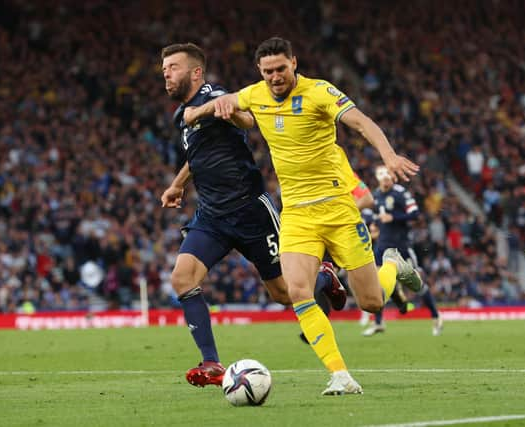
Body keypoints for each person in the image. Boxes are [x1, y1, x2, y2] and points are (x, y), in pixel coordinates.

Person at [188, 37, 422, 396]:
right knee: (297, 291)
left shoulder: (320, 92)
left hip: (338, 210)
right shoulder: (256, 93)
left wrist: (388, 156)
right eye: (268, 71)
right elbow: (233, 105)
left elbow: (361, 122)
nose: (275, 77)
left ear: (294, 63)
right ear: (260, 72)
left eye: (281, 68)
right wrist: (198, 112)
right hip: (297, 213)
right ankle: (340, 374)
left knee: (372, 302)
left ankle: (392, 265)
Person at [160, 43, 346, 389]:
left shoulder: (215, 95)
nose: (166, 72)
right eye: (164, 68)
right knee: (182, 279)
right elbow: (197, 155)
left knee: (285, 293)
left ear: (195, 72)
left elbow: (246, 118)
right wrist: (177, 185)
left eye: (172, 66)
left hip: (250, 210)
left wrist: (221, 110)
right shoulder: (181, 115)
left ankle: (324, 277)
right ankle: (212, 363)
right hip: (212, 216)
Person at [361, 165, 443, 336]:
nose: (384, 178)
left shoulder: (401, 193)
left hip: (400, 248)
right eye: (381, 175)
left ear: (392, 177)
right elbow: (375, 217)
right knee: (377, 285)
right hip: (382, 246)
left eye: (387, 175)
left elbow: (415, 214)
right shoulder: (375, 195)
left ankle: (436, 316)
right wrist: (375, 226)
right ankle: (378, 322)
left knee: (417, 286)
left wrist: (394, 218)